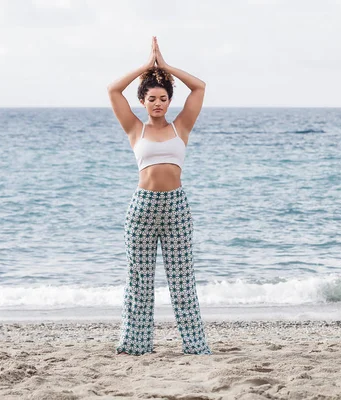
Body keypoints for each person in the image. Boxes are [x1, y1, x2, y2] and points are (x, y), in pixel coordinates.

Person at [107, 36, 212, 356]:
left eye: (163, 98)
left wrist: (165, 67)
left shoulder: (181, 126)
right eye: (152, 98)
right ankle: (134, 345)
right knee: (139, 280)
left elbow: (200, 87)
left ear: (169, 101)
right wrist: (145, 67)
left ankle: (195, 346)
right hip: (142, 208)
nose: (158, 103)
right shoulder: (134, 129)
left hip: (176, 208)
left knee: (182, 281)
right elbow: (113, 90)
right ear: (143, 101)